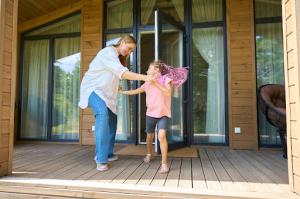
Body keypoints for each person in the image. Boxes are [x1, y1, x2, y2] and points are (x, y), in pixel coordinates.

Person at [79, 35, 154, 171]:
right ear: (123, 42)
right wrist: (145, 77)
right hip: (92, 89)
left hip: (106, 94)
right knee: (102, 115)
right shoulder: (107, 52)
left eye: (132, 51)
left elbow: (111, 74)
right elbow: (123, 74)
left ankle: (108, 152)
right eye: (129, 48)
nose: (129, 52)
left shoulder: (117, 58)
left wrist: (116, 86)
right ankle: (101, 159)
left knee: (112, 119)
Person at [119, 60, 188, 174]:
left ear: (156, 70)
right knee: (149, 136)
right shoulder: (147, 83)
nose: (147, 71)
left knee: (161, 136)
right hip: (150, 114)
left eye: (149, 69)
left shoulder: (166, 80)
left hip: (163, 114)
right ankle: (149, 154)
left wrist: (155, 83)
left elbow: (168, 93)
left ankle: (164, 164)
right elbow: (136, 91)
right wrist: (122, 92)